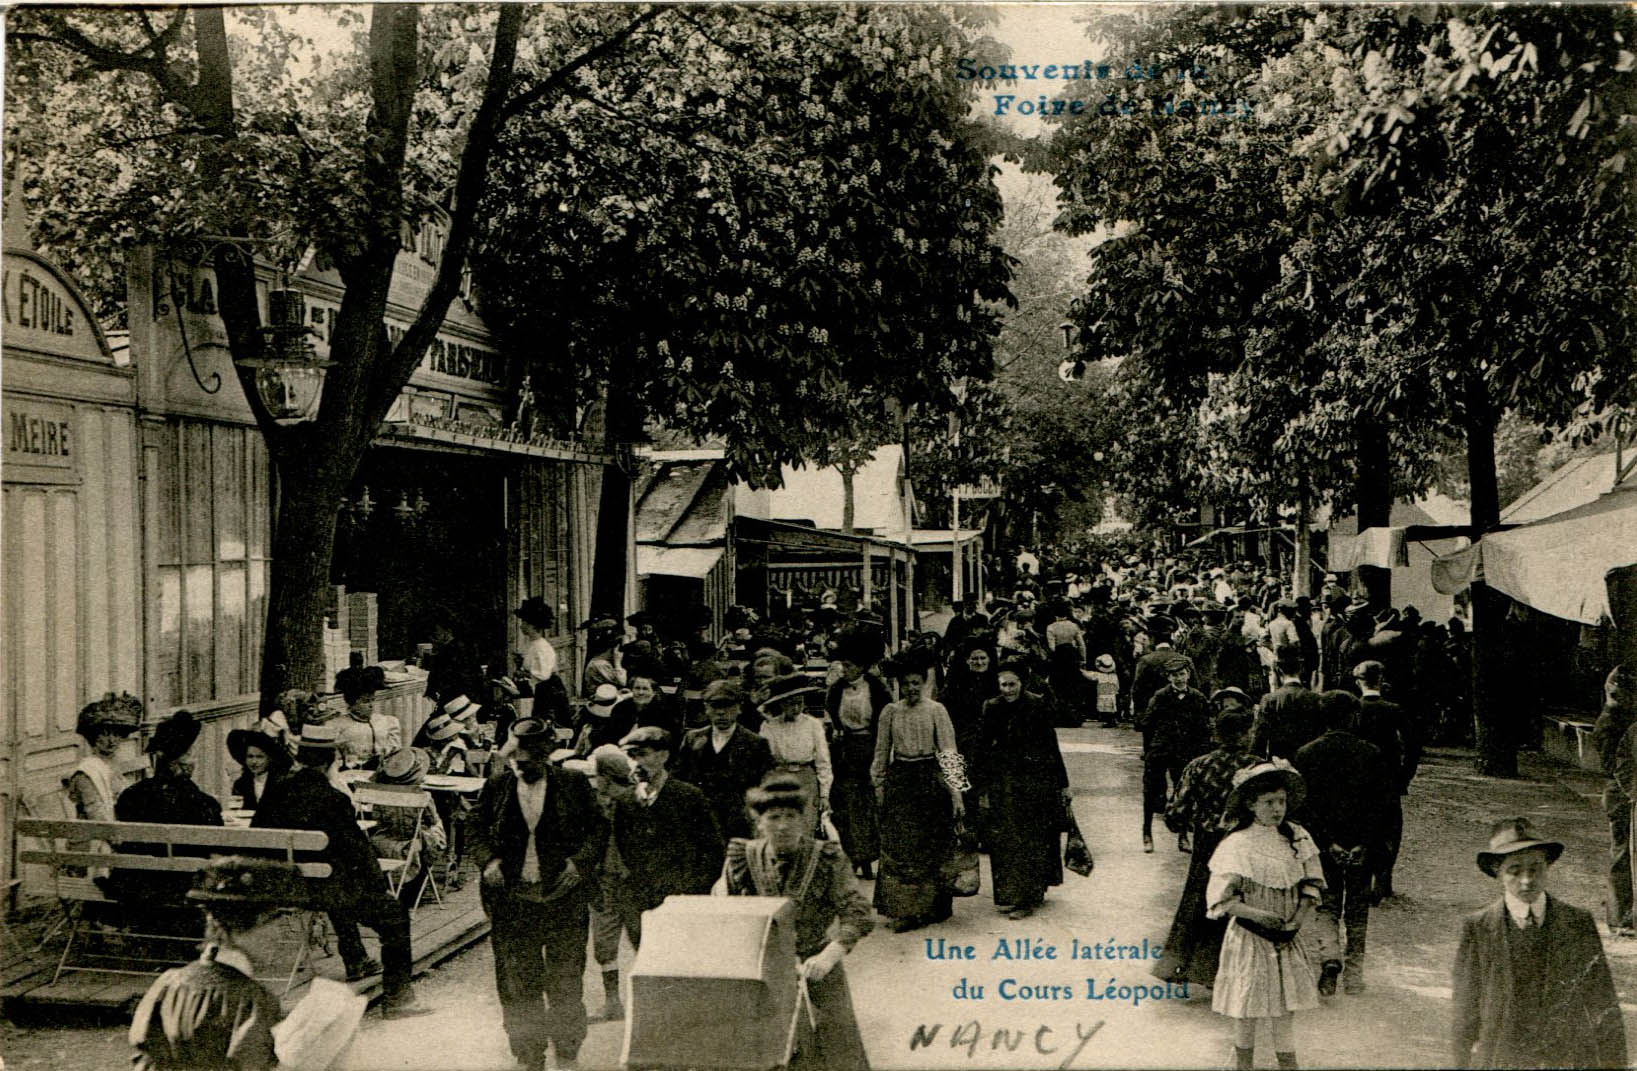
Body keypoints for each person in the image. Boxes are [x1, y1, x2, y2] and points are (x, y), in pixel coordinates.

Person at [254, 720, 427, 1018]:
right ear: (331, 761)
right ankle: (399, 998)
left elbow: (259, 837)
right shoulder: (334, 799)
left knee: (336, 884)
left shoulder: (274, 794)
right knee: (392, 913)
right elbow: (358, 852)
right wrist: (379, 887)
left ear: (301, 758)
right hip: (324, 889)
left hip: (285, 887)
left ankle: (357, 959)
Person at [469, 718, 607, 1069]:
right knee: (518, 980)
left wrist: (579, 865)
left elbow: (598, 829)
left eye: (529, 761)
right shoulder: (498, 786)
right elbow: (473, 827)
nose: (521, 767)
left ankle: (567, 1049)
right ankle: (528, 1054)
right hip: (514, 901)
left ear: (546, 755)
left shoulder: (573, 784)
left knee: (565, 978)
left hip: (563, 898)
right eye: (516, 761)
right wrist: (488, 862)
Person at [715, 777, 873, 1070]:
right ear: (759, 822)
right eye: (774, 817)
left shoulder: (827, 858)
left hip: (819, 965)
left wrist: (830, 955)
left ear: (804, 820)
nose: (783, 825)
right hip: (764, 971)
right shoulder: (742, 858)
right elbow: (727, 914)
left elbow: (858, 912)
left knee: (837, 1048)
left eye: (791, 817)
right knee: (769, 1050)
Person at [1451, 817, 1625, 1069]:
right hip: (1502, 1058)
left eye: (1535, 868)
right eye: (1515, 870)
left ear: (1548, 867)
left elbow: (1604, 1005)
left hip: (1566, 1059)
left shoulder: (1577, 924)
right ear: (1497, 872)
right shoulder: (1479, 928)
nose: (1526, 880)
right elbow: (1464, 1012)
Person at [129, 858, 307, 1071]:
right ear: (249, 925)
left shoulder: (168, 983)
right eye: (276, 922)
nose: (280, 936)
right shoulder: (251, 1001)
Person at [1207, 761, 1326, 1071]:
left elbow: (1312, 884)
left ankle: (1288, 1066)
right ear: (1251, 804)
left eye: (1282, 801)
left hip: (1286, 938)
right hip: (1250, 936)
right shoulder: (1238, 843)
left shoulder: (1296, 837)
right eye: (1268, 802)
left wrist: (1296, 920)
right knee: (1246, 1007)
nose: (1277, 809)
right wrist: (1259, 916)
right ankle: (1242, 1065)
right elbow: (1223, 900)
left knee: (1285, 1010)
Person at [1292, 690, 1391, 996]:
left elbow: (1304, 810)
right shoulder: (1371, 753)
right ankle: (1355, 976)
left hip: (1323, 847)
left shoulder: (1306, 754)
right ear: (1353, 716)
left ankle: (1329, 957)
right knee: (1358, 910)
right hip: (1362, 845)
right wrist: (1364, 843)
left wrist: (1327, 843)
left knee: (1327, 905)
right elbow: (1381, 807)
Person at [1153, 707, 1258, 989]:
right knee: (1242, 903)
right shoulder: (1256, 768)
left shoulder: (1199, 765)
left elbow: (1175, 813)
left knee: (1199, 900)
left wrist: (1186, 827)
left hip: (1208, 843)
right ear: (1246, 734)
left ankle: (1184, 964)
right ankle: (1233, 971)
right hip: (1246, 845)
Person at [870, 650, 964, 933]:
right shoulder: (891, 712)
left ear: (924, 684)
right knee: (901, 847)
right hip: (901, 779)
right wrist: (879, 786)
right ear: (899, 684)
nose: (911, 689)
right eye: (906, 683)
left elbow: (949, 753)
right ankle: (904, 909)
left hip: (929, 780)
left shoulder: (936, 710)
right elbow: (881, 752)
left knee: (931, 844)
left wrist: (956, 794)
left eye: (916, 683)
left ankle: (932, 907)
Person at [612, 726, 725, 947]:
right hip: (642, 902)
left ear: (664, 756)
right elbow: (625, 850)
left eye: (643, 755)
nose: (636, 764)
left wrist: (691, 892)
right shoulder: (626, 801)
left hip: (683, 901)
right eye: (631, 756)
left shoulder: (688, 797)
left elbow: (713, 853)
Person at [975, 661, 1069, 920]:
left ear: (1021, 683)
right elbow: (982, 748)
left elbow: (1051, 746)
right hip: (1004, 783)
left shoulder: (1036, 704)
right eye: (1003, 685)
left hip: (1036, 782)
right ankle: (1012, 894)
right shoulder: (991, 707)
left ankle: (1027, 897)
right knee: (1007, 840)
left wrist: (1063, 784)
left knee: (1033, 839)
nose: (1007, 690)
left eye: (1012, 684)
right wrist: (981, 786)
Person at [110, 711, 224, 909]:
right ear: (179, 763)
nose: (194, 760)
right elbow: (216, 847)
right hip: (182, 887)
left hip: (132, 886)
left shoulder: (130, 795)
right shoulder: (203, 803)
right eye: (190, 753)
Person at [570, 745, 637, 1023]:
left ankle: (649, 999)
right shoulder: (594, 802)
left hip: (632, 880)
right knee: (604, 942)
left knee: (643, 939)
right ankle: (613, 1001)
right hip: (603, 879)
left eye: (597, 776)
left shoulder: (634, 802)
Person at [672, 679, 774, 841]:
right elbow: (679, 777)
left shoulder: (755, 744)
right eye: (715, 706)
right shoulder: (693, 739)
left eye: (728, 706)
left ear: (739, 708)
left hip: (738, 823)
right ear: (706, 708)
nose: (721, 713)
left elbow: (765, 786)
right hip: (698, 820)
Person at [826, 632, 889, 879]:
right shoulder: (836, 689)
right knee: (847, 805)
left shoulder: (875, 687)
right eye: (842, 665)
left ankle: (868, 856)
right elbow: (832, 714)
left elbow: (884, 718)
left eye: (849, 666)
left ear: (861, 667)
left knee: (868, 805)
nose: (844, 670)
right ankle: (852, 855)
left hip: (870, 747)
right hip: (846, 751)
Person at [1352, 660, 1416, 901]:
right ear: (1380, 681)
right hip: (1389, 782)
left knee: (1361, 828)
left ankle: (1362, 881)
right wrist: (1404, 777)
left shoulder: (1354, 709)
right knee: (1390, 831)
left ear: (1359, 682)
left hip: (1359, 782)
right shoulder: (1394, 710)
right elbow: (1412, 747)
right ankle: (1384, 880)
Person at [1138, 658, 1212, 854]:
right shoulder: (1160, 697)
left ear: (1188, 674)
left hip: (1185, 751)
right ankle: (1147, 833)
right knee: (1152, 790)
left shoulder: (1197, 697)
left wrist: (1200, 754)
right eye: (1174, 675)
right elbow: (1147, 725)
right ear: (1168, 677)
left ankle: (1183, 836)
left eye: (1182, 674)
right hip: (1161, 749)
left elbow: (1204, 728)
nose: (1179, 678)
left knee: (1184, 793)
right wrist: (1148, 752)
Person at [369, 746, 448, 910]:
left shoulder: (380, 794)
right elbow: (433, 820)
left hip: (383, 839)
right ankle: (414, 888)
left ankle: (392, 887)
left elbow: (376, 818)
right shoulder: (422, 795)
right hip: (414, 840)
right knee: (435, 835)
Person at [1592, 666, 1636, 934]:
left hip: (1624, 790)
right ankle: (1620, 917)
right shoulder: (1610, 722)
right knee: (1622, 853)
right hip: (1622, 792)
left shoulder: (1617, 717)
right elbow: (1616, 765)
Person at [1253, 649, 1323, 761]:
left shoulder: (1269, 700)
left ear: (1278, 670)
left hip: (1280, 763)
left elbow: (1260, 739)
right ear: (1301, 669)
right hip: (1309, 762)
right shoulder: (1315, 699)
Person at [515, 596, 569, 729]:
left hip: (550, 692)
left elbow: (543, 675)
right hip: (542, 691)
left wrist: (525, 674)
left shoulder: (542, 647)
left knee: (547, 724)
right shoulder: (532, 645)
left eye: (524, 623)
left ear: (533, 625)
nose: (522, 626)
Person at [334, 665, 400, 770]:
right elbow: (336, 759)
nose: (371, 705)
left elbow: (395, 753)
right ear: (352, 704)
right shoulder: (340, 725)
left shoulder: (385, 722)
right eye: (365, 701)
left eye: (372, 700)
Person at [226, 727, 292, 811]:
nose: (254, 762)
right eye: (250, 756)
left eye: (260, 757)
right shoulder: (241, 784)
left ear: (270, 758)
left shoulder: (282, 782)